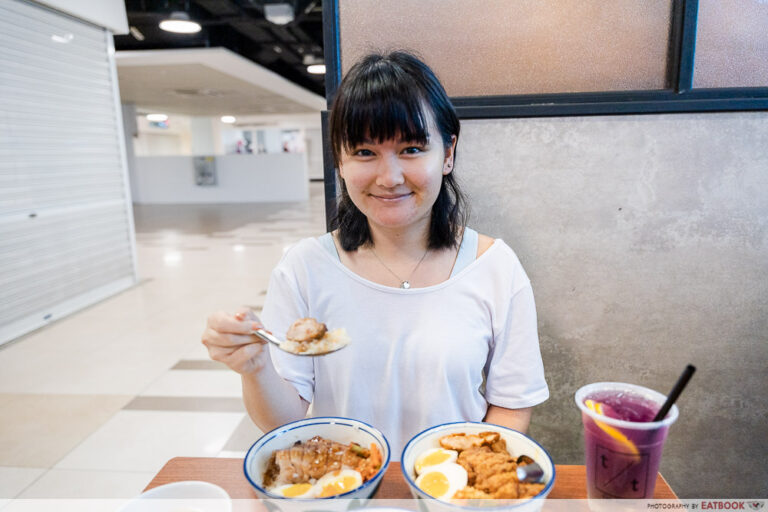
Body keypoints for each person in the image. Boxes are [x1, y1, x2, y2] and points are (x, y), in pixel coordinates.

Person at [201, 51, 549, 456]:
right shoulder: (303, 268)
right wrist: (255, 366)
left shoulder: (495, 266)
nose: (390, 178)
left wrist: (457, 482)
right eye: (365, 152)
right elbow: (284, 422)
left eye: (412, 149)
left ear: (448, 153)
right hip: (342, 488)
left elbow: (512, 401)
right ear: (340, 161)